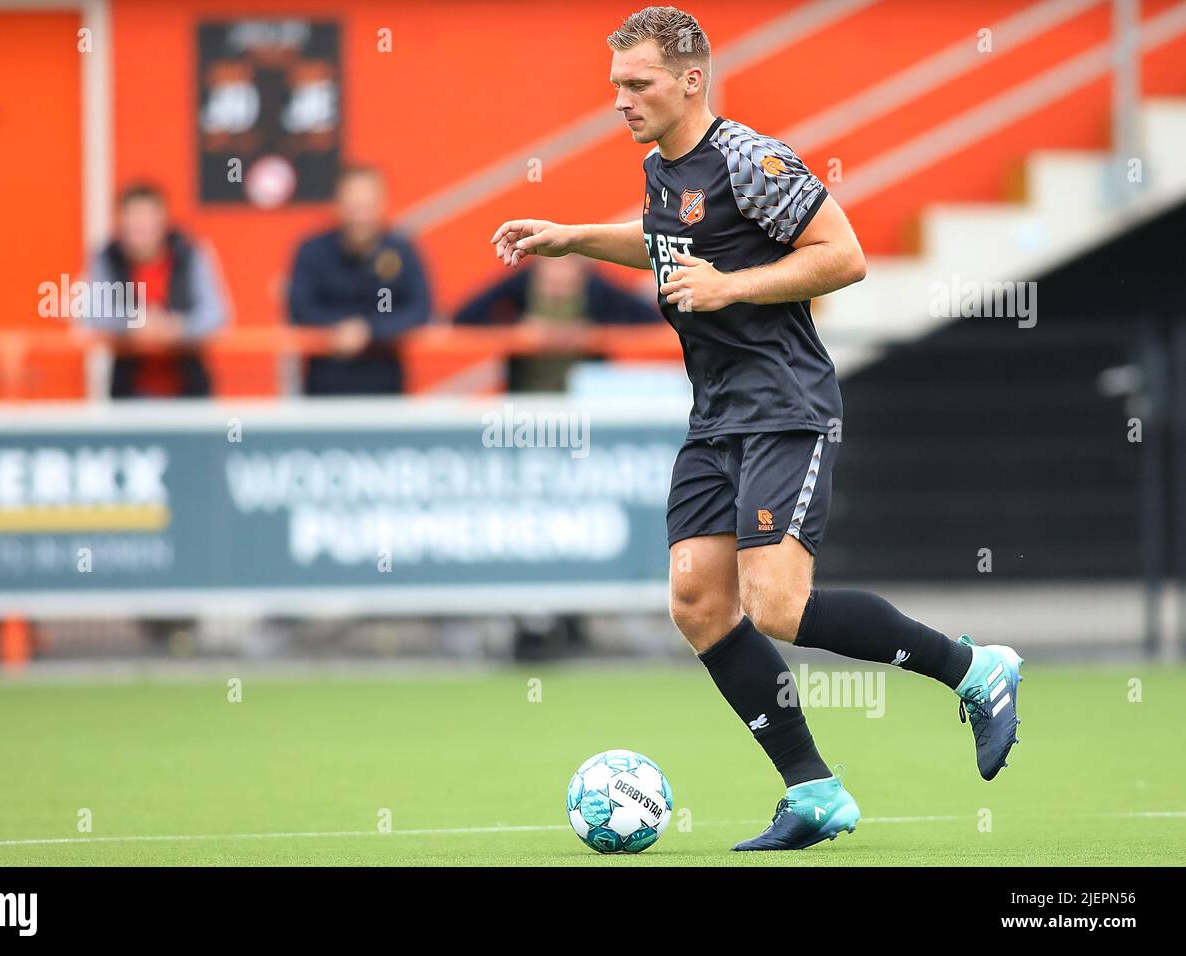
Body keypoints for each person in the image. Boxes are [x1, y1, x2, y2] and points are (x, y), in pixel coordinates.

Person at [489, 5, 1023, 852]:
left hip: (783, 405)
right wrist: (572, 239)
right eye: (616, 86)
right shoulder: (665, 168)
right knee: (699, 601)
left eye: (638, 84)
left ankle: (974, 670)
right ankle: (813, 790)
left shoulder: (751, 157)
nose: (621, 101)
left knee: (778, 605)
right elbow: (671, 241)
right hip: (716, 413)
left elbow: (841, 254)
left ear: (690, 80)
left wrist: (731, 288)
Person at [288, 166, 431, 395]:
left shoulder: (402, 250)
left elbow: (419, 309)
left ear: (382, 205)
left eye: (367, 207)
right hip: (324, 387)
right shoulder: (312, 250)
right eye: (353, 207)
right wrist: (338, 329)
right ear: (337, 205)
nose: (359, 217)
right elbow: (300, 308)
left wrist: (369, 331)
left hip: (385, 388)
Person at [86, 183, 228, 398]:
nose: (139, 225)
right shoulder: (107, 258)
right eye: (133, 216)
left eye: (147, 216)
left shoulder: (191, 254)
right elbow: (92, 313)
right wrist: (134, 323)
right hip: (127, 392)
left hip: (189, 391)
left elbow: (215, 314)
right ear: (120, 221)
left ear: (163, 220)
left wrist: (177, 328)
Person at [455, 254, 660, 391]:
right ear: (538, 270)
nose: (557, 290)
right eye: (551, 283)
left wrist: (595, 334)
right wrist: (517, 331)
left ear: (581, 274)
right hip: (526, 400)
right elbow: (464, 317)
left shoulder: (597, 288)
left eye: (565, 285)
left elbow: (649, 319)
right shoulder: (521, 283)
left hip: (584, 402)